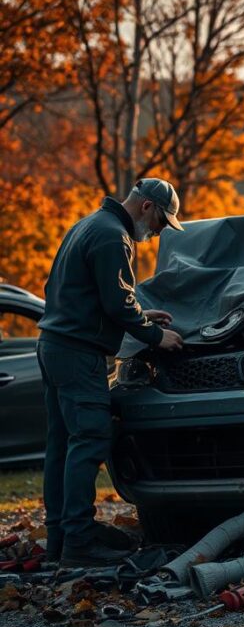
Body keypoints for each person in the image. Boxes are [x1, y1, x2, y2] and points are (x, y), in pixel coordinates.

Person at [37, 178, 185, 566]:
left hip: (53, 345)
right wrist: (156, 337)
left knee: (62, 445)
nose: (155, 234)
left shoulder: (86, 225)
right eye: (159, 225)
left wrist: (139, 312)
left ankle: (60, 538)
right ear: (147, 207)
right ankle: (80, 544)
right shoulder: (113, 237)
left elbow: (87, 293)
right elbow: (118, 304)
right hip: (77, 352)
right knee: (90, 439)